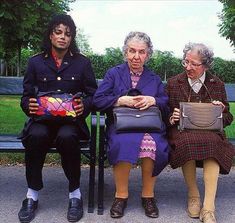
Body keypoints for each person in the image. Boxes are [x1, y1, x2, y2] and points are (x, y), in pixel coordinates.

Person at [18, 14, 97, 223]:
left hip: (70, 123)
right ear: (51, 35)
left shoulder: (82, 63)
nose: (63, 37)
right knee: (35, 135)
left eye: (68, 34)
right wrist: (29, 105)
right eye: (59, 32)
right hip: (42, 121)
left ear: (72, 38)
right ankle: (31, 195)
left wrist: (84, 105)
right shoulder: (35, 62)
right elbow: (26, 97)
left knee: (67, 137)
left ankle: (75, 194)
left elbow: (92, 94)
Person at [93, 31, 170, 219]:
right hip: (122, 126)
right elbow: (97, 100)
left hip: (149, 126)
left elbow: (166, 104)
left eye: (141, 52)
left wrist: (153, 100)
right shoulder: (114, 73)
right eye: (132, 51)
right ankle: (121, 196)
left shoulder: (154, 78)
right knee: (123, 143)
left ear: (148, 55)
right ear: (125, 52)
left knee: (153, 144)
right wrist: (120, 100)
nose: (136, 56)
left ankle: (148, 196)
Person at [166, 42, 235, 223]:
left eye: (194, 64)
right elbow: (163, 112)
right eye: (185, 62)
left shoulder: (216, 84)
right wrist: (171, 118)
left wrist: (221, 112)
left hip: (210, 133)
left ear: (205, 65)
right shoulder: (174, 82)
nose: (188, 67)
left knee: (212, 143)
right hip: (183, 132)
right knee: (186, 142)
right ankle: (194, 195)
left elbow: (228, 118)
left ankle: (209, 207)